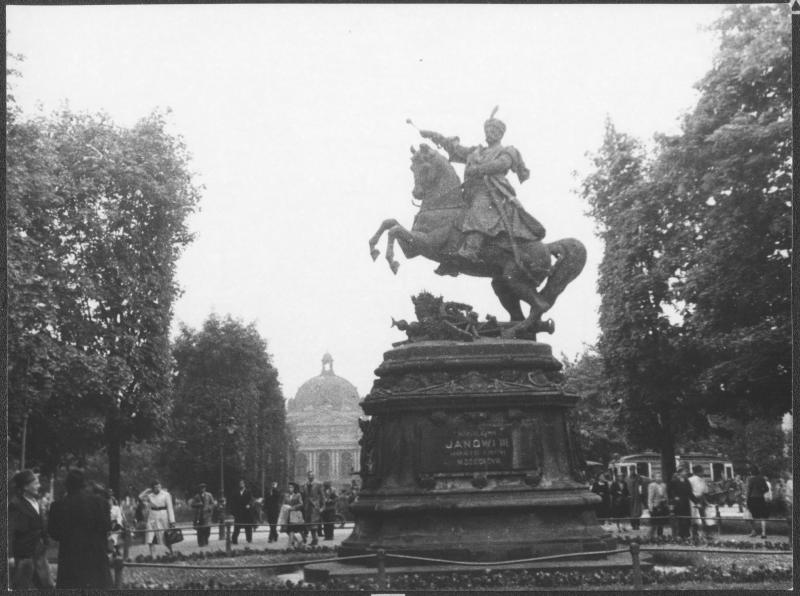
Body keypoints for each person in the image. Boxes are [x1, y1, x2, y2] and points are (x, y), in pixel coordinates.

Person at [419, 109, 543, 271]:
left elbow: (502, 164)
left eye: (496, 131)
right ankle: (451, 252)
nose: (491, 133)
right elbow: (456, 148)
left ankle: (471, 250)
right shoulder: (475, 152)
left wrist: (478, 170)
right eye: (489, 130)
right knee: (453, 216)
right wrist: (434, 135)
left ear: (501, 134)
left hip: (492, 192)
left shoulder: (508, 150)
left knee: (479, 209)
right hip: (469, 193)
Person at [47, 468, 112, 589]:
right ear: (84, 484)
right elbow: (107, 526)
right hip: (96, 557)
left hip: (70, 559)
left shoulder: (57, 506)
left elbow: (53, 533)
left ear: (67, 486)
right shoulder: (100, 503)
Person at [9, 469, 54, 589]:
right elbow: (9, 531)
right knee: (20, 586)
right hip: (23, 554)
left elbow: (40, 524)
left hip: (39, 552)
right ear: (25, 487)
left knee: (47, 586)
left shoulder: (36, 502)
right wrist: (10, 555)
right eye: (35, 483)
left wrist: (45, 540)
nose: (39, 486)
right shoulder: (15, 504)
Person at [138, 480, 176, 557]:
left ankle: (172, 552)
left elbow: (170, 508)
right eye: (155, 487)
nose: (158, 488)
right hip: (152, 516)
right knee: (150, 536)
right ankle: (153, 556)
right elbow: (140, 497)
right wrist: (146, 491)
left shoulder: (166, 494)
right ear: (152, 488)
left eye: (159, 486)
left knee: (166, 537)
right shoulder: (150, 496)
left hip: (163, 515)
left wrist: (172, 521)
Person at [746, 466, 770, 539]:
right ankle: (763, 533)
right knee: (762, 516)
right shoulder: (762, 479)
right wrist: (761, 492)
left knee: (751, 515)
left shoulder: (750, 480)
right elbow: (767, 489)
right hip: (760, 498)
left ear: (751, 472)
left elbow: (749, 491)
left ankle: (754, 531)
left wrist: (747, 499)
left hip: (752, 498)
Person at [302, 470, 324, 546]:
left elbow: (322, 496)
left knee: (313, 523)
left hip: (315, 506)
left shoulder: (318, 484)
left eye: (311, 475)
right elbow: (304, 496)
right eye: (309, 475)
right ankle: (310, 539)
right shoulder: (305, 485)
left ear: (314, 476)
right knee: (308, 523)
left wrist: (322, 507)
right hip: (307, 506)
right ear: (307, 476)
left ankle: (315, 539)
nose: (310, 476)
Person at [669, 467, 692, 539]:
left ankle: (687, 534)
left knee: (687, 519)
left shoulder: (687, 481)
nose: (686, 473)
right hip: (678, 503)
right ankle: (680, 535)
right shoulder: (674, 481)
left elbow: (690, 493)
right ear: (680, 473)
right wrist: (674, 497)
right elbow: (670, 491)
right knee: (680, 519)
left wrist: (696, 502)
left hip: (686, 502)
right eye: (684, 472)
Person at [688, 465, 710, 540]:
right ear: (697, 472)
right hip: (693, 499)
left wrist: (705, 500)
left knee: (703, 516)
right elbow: (689, 491)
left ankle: (705, 534)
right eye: (701, 471)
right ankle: (694, 534)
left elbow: (705, 491)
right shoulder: (691, 480)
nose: (702, 473)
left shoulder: (703, 480)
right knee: (695, 517)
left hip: (701, 499)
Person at [231, 479, 255, 544]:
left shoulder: (248, 492)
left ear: (244, 484)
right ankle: (234, 540)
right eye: (240, 483)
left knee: (248, 527)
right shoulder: (236, 492)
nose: (241, 485)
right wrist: (234, 511)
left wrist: (249, 505)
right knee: (237, 527)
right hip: (238, 512)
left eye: (242, 483)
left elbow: (252, 500)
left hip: (247, 512)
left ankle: (249, 540)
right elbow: (233, 502)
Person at [647, 472, 670, 539]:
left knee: (661, 522)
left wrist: (666, 502)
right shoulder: (652, 485)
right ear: (654, 478)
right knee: (654, 523)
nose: (659, 478)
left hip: (662, 506)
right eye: (657, 477)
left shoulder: (664, 485)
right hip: (655, 506)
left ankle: (660, 535)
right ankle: (650, 536)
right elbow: (650, 497)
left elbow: (666, 495)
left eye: (660, 476)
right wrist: (650, 507)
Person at [286, 483, 305, 548]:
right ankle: (296, 542)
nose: (290, 489)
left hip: (296, 514)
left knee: (295, 530)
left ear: (294, 488)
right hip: (288, 515)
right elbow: (284, 503)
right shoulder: (286, 495)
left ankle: (290, 546)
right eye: (289, 487)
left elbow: (301, 504)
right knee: (288, 530)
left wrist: (294, 507)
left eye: (291, 487)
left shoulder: (298, 495)